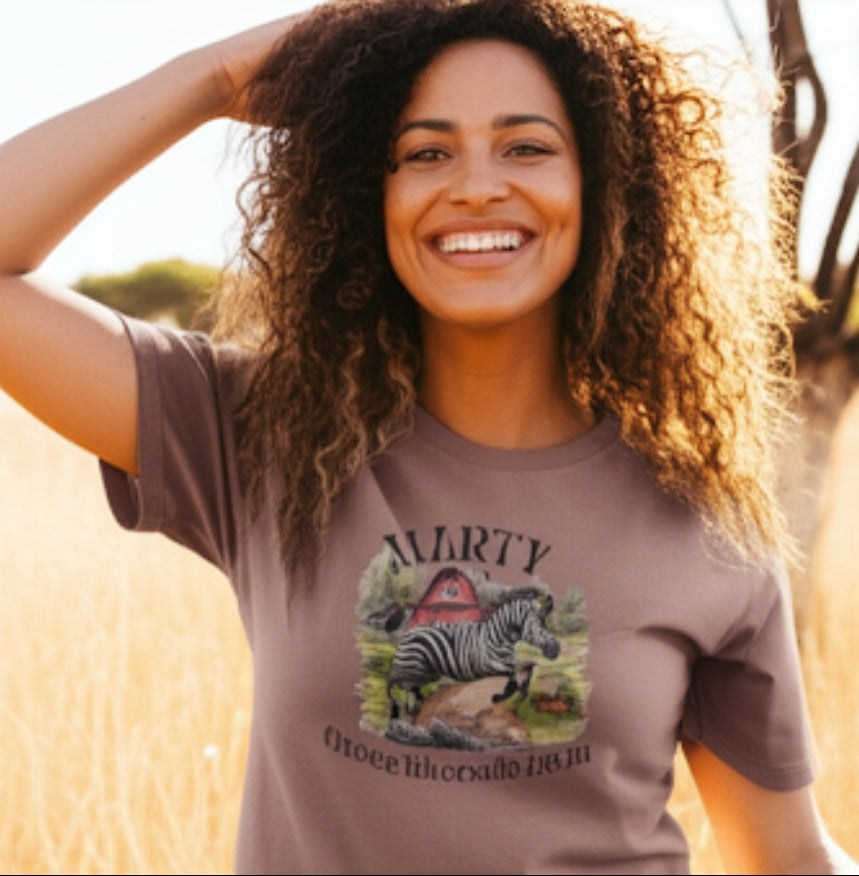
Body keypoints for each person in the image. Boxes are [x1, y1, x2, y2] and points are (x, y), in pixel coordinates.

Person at [1, 0, 856, 873]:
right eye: (424, 152)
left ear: (603, 183)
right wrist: (215, 79)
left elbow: (785, 857)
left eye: (526, 146)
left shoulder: (704, 518)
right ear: (367, 196)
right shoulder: (262, 434)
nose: (476, 185)